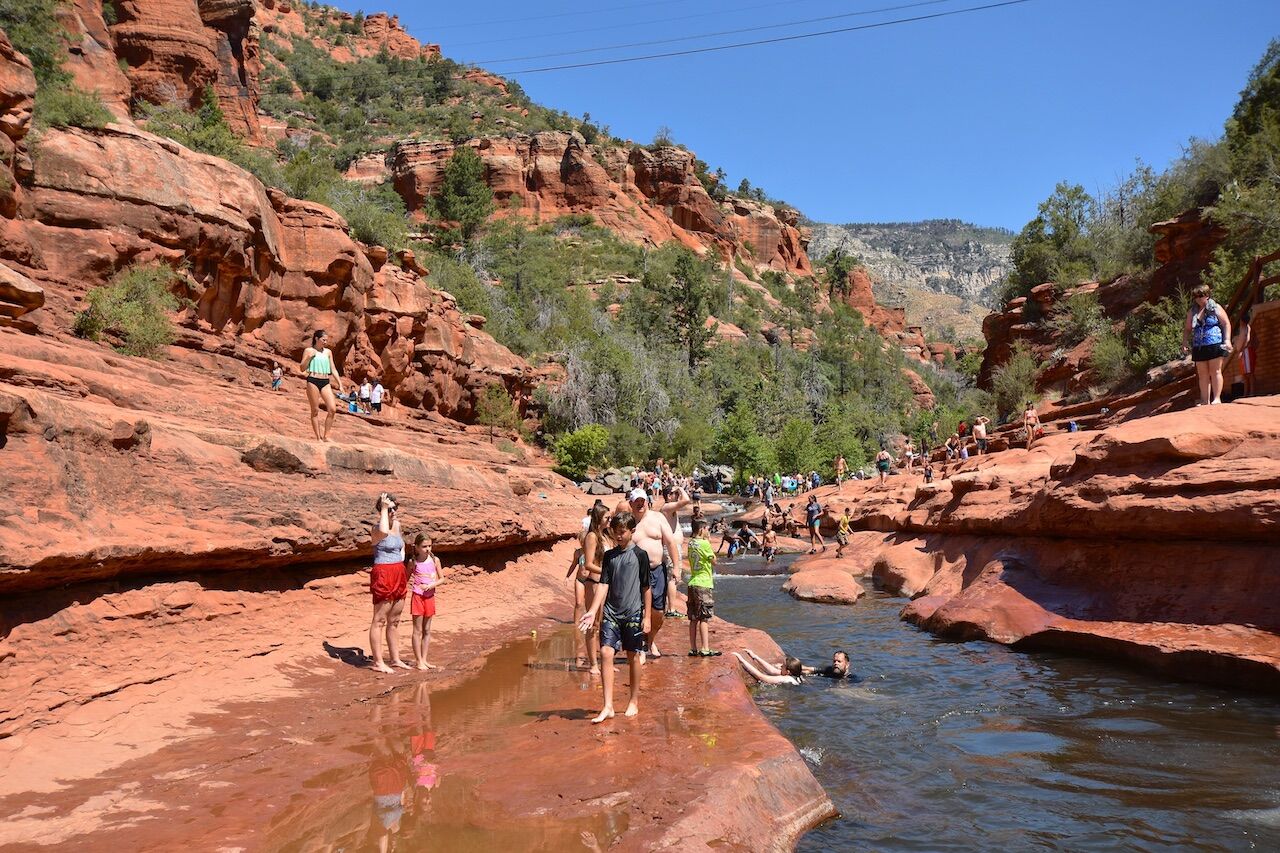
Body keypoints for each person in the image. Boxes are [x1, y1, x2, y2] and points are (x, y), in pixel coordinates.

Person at [579, 512, 652, 723]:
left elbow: (646, 588)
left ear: (632, 531)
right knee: (605, 652)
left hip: (633, 612)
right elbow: (603, 585)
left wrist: (647, 616)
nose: (618, 536)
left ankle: (633, 700)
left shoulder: (640, 555)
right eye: (615, 532)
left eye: (622, 532)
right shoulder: (610, 556)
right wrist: (593, 611)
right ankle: (608, 705)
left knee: (633, 656)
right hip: (611, 611)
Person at [613, 488, 678, 659]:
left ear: (647, 501)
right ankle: (640, 647)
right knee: (637, 611)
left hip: (657, 570)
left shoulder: (658, 518)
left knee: (658, 613)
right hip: (634, 573)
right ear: (631, 503)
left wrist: (676, 567)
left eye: (642, 500)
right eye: (637, 501)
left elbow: (670, 543)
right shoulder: (627, 522)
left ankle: (650, 640)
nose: (640, 504)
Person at [369, 493, 410, 674]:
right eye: (389, 508)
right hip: (383, 572)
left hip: (398, 572)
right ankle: (378, 662)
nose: (393, 511)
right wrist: (384, 508)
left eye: (394, 508)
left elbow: (401, 546)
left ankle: (395, 659)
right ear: (382, 510)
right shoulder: (377, 529)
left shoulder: (398, 525)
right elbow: (385, 532)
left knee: (395, 620)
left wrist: (401, 563)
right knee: (380, 620)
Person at [1181, 284, 1234, 406]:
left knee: (1215, 371)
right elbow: (1188, 328)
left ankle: (1217, 398)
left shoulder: (1215, 307)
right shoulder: (1193, 311)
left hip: (1214, 342)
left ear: (1207, 295)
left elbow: (1226, 323)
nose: (1198, 299)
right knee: (1203, 374)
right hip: (1199, 345)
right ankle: (1205, 400)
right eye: (1196, 296)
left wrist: (1227, 340)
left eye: (1201, 296)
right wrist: (1184, 342)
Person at [579, 503, 611, 675]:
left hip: (606, 584)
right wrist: (609, 570)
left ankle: (604, 661)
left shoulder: (606, 535)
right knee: (593, 624)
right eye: (607, 517)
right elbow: (589, 564)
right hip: (594, 583)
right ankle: (593, 664)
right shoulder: (592, 536)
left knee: (605, 624)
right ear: (599, 518)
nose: (610, 520)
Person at [300, 329, 347, 441]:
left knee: (332, 409)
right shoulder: (308, 350)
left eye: (326, 340)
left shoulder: (328, 352)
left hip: (325, 381)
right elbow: (302, 368)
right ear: (316, 339)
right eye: (323, 340)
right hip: (312, 380)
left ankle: (326, 436)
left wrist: (340, 384)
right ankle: (318, 438)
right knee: (315, 410)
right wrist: (309, 357)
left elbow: (333, 369)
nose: (325, 342)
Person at [407, 533, 444, 671]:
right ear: (416, 547)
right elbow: (405, 579)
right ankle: (418, 661)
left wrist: (432, 585)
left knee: (427, 629)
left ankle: (424, 659)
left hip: (430, 596)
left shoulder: (435, 560)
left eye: (429, 546)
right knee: (417, 630)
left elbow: (442, 578)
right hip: (417, 597)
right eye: (424, 546)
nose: (427, 549)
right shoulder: (413, 562)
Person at [685, 520, 719, 657]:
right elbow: (714, 561)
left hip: (692, 581)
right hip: (704, 583)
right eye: (706, 529)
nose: (707, 531)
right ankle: (705, 647)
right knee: (704, 617)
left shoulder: (691, 543)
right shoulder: (705, 544)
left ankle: (693, 648)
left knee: (693, 618)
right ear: (701, 529)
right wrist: (708, 541)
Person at [658, 485, 692, 620]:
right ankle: (671, 609)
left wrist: (678, 489)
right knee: (673, 577)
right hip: (671, 547)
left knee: (672, 578)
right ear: (668, 496)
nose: (677, 495)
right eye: (674, 493)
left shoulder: (670, 508)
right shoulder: (666, 507)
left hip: (673, 547)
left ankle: (669, 607)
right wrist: (680, 488)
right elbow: (686, 500)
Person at [734, 648, 853, 685]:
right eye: (834, 661)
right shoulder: (792, 675)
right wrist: (755, 656)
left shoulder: (786, 678)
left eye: (839, 661)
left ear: (847, 664)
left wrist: (741, 659)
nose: (835, 663)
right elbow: (772, 671)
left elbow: (760, 676)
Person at [1234, 306, 1255, 398]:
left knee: (1249, 373)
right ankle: (1246, 393)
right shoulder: (1242, 329)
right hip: (1243, 351)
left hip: (1246, 351)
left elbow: (1247, 340)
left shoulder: (1246, 328)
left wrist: (1242, 350)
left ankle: (1252, 392)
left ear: (1242, 321)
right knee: (1244, 374)